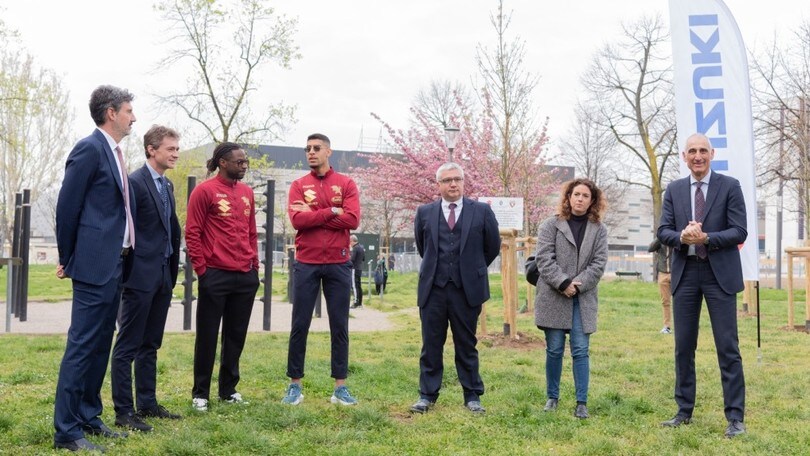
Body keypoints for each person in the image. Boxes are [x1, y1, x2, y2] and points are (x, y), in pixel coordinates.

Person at [53, 85, 137, 452]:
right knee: (82, 346)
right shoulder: (89, 148)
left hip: (116, 264)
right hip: (92, 265)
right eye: (129, 111)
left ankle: (89, 415)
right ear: (111, 113)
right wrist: (67, 257)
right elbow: (67, 207)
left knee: (101, 344)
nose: (133, 117)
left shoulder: (116, 152)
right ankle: (67, 431)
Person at [657, 133, 748, 438]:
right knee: (684, 346)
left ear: (712, 153)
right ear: (684, 156)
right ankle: (684, 411)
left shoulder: (730, 186)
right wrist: (682, 237)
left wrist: (707, 237)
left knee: (727, 347)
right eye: (692, 151)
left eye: (703, 151)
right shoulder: (674, 189)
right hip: (686, 274)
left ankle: (735, 417)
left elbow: (739, 231)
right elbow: (663, 231)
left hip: (718, 274)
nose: (698, 156)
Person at [410, 162, 501, 414]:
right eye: (447, 180)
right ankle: (426, 395)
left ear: (463, 182)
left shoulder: (481, 211)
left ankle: (472, 395)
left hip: (466, 290)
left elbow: (491, 246)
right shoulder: (424, 213)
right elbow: (423, 246)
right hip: (433, 289)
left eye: (457, 179)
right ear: (438, 185)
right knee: (431, 344)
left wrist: (471, 269)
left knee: (466, 344)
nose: (453, 184)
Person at [111, 125, 183, 433]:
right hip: (139, 277)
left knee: (151, 343)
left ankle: (148, 404)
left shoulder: (167, 186)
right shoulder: (134, 184)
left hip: (163, 275)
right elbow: (123, 232)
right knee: (127, 345)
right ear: (151, 150)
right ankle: (124, 412)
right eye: (170, 148)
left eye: (177, 148)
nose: (175, 153)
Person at [283, 133, 361, 406]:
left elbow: (353, 218)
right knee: (299, 324)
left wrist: (315, 212)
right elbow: (298, 221)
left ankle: (340, 387)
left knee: (339, 326)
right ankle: (295, 385)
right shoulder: (298, 185)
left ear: (329, 151)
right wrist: (333, 212)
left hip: (339, 263)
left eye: (316, 148)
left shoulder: (346, 183)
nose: (311, 153)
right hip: (306, 263)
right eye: (307, 149)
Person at [185, 142, 260, 412]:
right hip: (214, 275)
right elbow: (192, 233)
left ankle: (228, 389)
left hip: (245, 276)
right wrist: (203, 271)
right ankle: (200, 393)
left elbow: (252, 232)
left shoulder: (247, 193)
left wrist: (255, 265)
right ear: (223, 163)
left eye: (245, 161)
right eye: (239, 161)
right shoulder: (204, 192)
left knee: (235, 335)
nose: (244, 165)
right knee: (207, 335)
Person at [532, 178, 608, 420]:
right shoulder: (550, 225)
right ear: (568, 197)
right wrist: (563, 283)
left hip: (582, 297)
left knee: (581, 350)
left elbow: (598, 263)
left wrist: (577, 285)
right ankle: (552, 397)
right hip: (554, 295)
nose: (580, 199)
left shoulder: (599, 229)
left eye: (586, 196)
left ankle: (581, 402)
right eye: (576, 194)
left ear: (592, 201)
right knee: (554, 349)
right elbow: (544, 259)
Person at [648, 237, 673, 334]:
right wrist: (660, 236)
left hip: (676, 272)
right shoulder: (660, 239)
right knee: (665, 301)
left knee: (680, 301)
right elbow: (650, 248)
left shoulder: (676, 237)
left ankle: (683, 326)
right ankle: (667, 326)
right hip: (663, 273)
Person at [350, 235, 365, 309]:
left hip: (354, 268)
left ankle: (355, 302)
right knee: (359, 285)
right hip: (360, 268)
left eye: (350, 242)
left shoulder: (355, 248)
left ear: (353, 241)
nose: (350, 243)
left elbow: (352, 259)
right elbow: (363, 259)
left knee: (354, 286)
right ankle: (360, 303)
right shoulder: (361, 247)